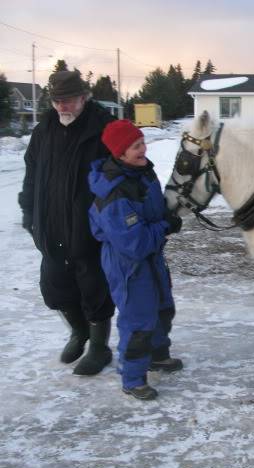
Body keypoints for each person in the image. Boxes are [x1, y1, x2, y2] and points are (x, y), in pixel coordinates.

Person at [18, 70, 115, 375]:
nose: (62, 106)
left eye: (69, 99)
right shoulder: (44, 129)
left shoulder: (104, 127)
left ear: (84, 97)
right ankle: (79, 332)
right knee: (54, 284)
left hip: (89, 225)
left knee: (94, 287)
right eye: (57, 100)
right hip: (50, 223)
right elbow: (32, 172)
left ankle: (99, 347)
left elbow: (120, 173)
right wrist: (29, 212)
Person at [88, 119, 183, 400]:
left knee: (163, 308)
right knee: (138, 320)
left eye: (142, 142)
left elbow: (154, 212)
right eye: (135, 146)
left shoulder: (143, 173)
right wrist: (165, 227)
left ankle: (157, 356)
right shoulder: (115, 192)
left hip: (151, 257)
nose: (143, 149)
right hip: (127, 263)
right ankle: (133, 377)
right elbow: (134, 243)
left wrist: (167, 216)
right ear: (119, 153)